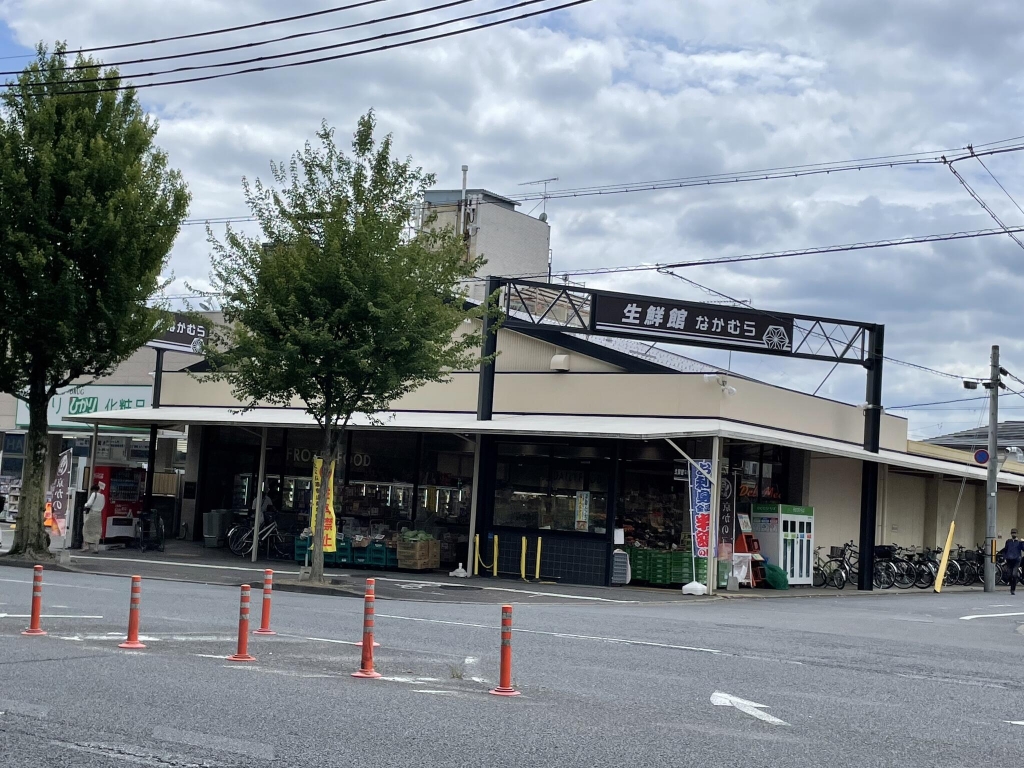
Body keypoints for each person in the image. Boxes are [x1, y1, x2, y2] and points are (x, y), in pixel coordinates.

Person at [82, 483, 105, 553]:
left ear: (93, 490)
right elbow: (103, 505)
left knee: (86, 529)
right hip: (99, 514)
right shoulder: (102, 496)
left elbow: (89, 504)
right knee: (97, 530)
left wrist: (85, 505)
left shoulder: (94, 494)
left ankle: (86, 546)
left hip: (92, 513)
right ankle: (96, 548)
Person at [1003, 529, 1024, 595]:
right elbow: (1005, 550)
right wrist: (1004, 557)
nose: (1013, 534)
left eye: (1015, 533)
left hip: (1016, 560)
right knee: (1009, 574)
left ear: (1017, 534)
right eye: (1012, 533)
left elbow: (1023, 549)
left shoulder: (1019, 542)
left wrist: (1023, 542)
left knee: (1014, 574)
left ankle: (1013, 589)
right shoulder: (1008, 542)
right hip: (1009, 559)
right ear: (1011, 534)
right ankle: (1010, 583)